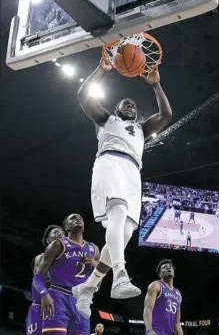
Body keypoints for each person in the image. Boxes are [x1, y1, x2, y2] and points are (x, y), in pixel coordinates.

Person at [74, 59, 172, 318]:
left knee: (125, 233)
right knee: (116, 212)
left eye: (133, 105)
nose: (130, 105)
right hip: (110, 161)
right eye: (125, 104)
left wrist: (156, 85)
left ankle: (88, 287)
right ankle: (119, 274)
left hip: (133, 172)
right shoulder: (106, 119)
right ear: (117, 109)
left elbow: (166, 115)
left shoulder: (141, 129)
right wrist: (101, 70)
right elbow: (84, 95)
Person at [33, 214, 99, 335]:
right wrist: (44, 294)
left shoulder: (94, 249)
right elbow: (38, 277)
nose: (78, 219)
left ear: (83, 227)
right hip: (58, 297)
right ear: (66, 227)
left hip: (81, 301)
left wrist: (95, 265)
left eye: (80, 218)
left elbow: (98, 283)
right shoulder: (57, 245)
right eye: (73, 218)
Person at [26, 225, 65, 335]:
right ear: (48, 240)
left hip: (60, 309)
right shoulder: (41, 258)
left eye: (63, 233)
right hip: (41, 307)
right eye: (56, 232)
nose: (60, 234)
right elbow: (45, 280)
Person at [143, 259, 183, 335]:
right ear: (160, 274)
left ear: (174, 273)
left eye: (170, 267)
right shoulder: (156, 285)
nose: (168, 268)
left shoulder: (178, 293)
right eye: (164, 267)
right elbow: (148, 308)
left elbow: (177, 323)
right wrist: (149, 330)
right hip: (156, 330)